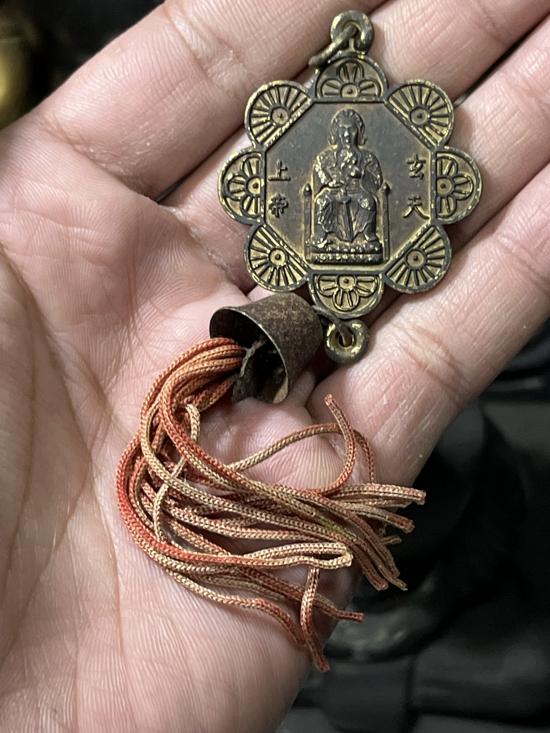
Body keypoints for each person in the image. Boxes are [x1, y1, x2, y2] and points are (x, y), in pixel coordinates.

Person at [0, 0, 548, 731]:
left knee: (358, 200)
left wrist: (358, 184)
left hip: (357, 229)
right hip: (323, 237)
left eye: (349, 134)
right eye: (343, 134)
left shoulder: (365, 150)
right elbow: (321, 181)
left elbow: (373, 182)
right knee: (338, 198)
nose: (346, 138)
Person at [314, 109, 383, 256]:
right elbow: (319, 171)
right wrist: (329, 181)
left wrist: (361, 173)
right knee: (321, 202)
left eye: (351, 130)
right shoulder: (325, 158)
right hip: (334, 192)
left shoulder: (367, 158)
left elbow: (377, 181)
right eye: (342, 130)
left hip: (357, 192)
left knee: (368, 202)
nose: (346, 135)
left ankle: (368, 237)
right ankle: (320, 239)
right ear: (336, 133)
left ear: (358, 132)